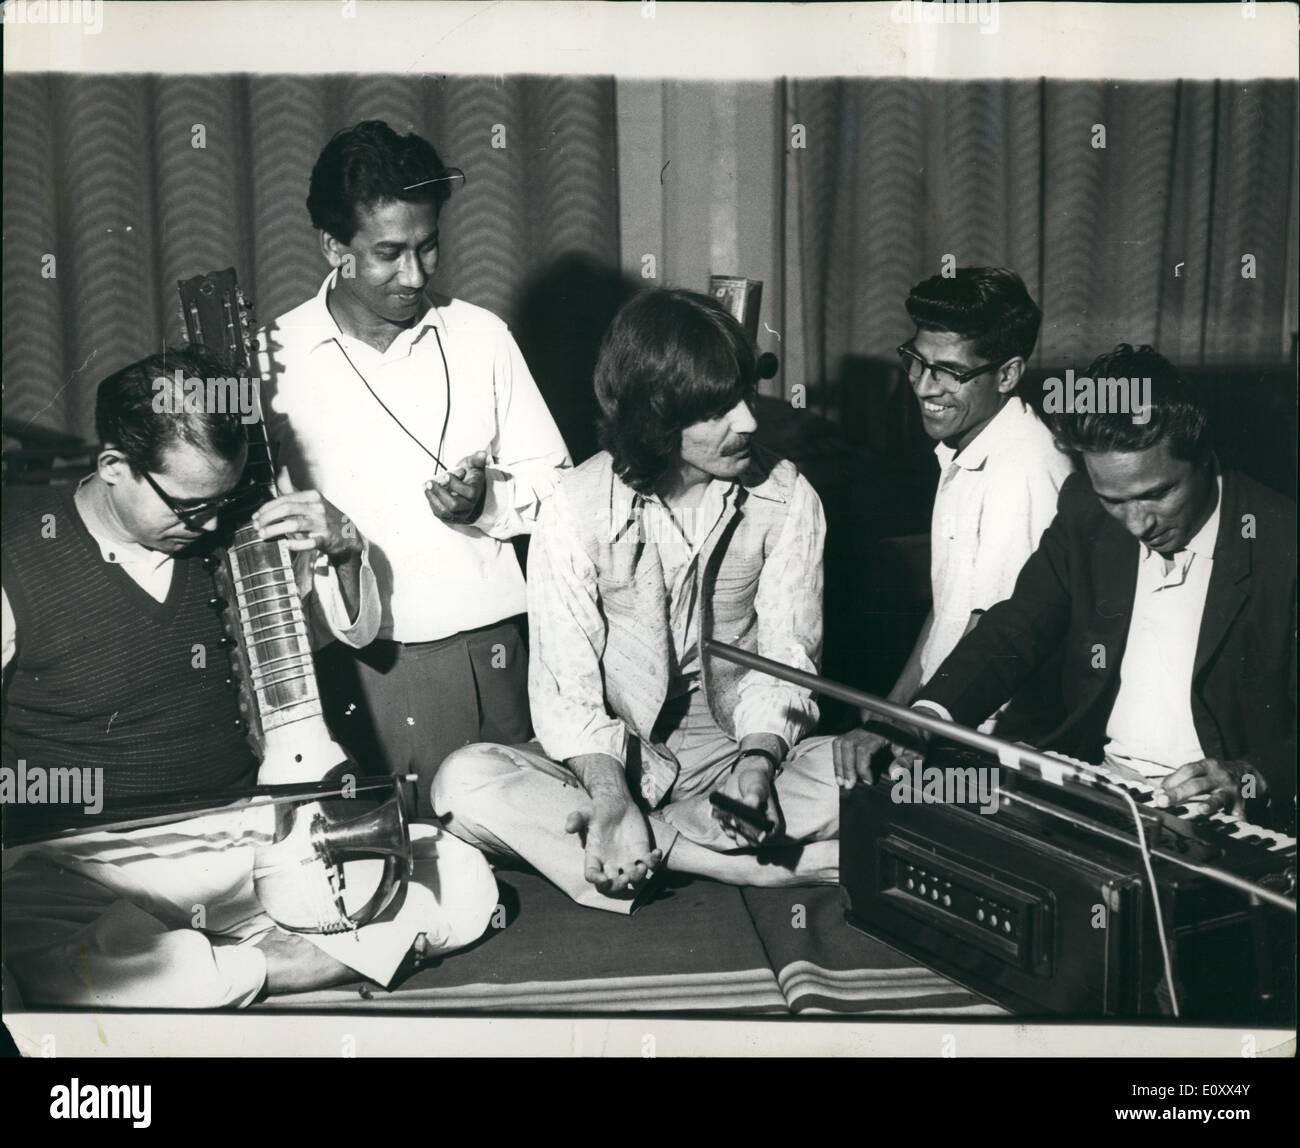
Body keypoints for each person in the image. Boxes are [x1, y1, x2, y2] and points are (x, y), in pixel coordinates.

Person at [1, 347, 497, 1008]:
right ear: (115, 467)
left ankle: (215, 970)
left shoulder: (237, 534)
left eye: (224, 501)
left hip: (244, 843)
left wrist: (345, 550)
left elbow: (344, 631)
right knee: (27, 936)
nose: (210, 524)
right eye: (188, 507)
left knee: (462, 875)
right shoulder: (18, 557)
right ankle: (283, 964)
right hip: (81, 862)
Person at [431, 288, 839, 913]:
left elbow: (785, 659)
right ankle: (742, 867)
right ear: (657, 416)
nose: (750, 424)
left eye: (745, 399)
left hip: (732, 757)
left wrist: (757, 766)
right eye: (717, 411)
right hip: (609, 759)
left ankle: (644, 847)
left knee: (886, 778)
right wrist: (612, 798)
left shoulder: (788, 499)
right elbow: (566, 689)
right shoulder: (573, 506)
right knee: (464, 782)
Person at [257, 120, 571, 817]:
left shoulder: (483, 337)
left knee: (527, 864)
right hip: (356, 671)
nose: (417, 275)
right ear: (334, 246)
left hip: (492, 659)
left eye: (428, 248)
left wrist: (487, 503)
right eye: (389, 253)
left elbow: (561, 492)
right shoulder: (271, 360)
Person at [860, 344, 1296, 830]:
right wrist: (929, 713)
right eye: (1115, 500)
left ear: (1204, 457)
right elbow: (1018, 623)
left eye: (1157, 494)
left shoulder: (1282, 542)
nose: (1137, 523)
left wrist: (1251, 773)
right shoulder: (1087, 511)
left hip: (1224, 816)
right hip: (1101, 782)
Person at [834, 267, 1072, 789]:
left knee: (800, 804)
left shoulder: (1024, 470)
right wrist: (887, 713)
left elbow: (993, 633)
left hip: (986, 746)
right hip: (934, 726)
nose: (922, 386)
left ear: (1007, 375)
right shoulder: (965, 448)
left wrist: (909, 729)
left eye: (948, 372)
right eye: (916, 361)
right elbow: (949, 614)